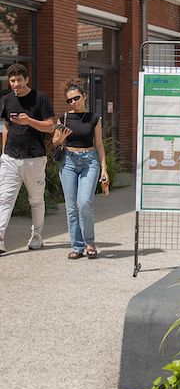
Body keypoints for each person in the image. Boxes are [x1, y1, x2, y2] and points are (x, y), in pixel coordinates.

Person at [0, 63, 55, 254]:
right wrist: (3, 152)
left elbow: (50, 126)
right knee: (4, 199)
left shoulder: (40, 98)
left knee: (36, 200)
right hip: (10, 158)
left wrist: (29, 121)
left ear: (27, 79)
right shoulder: (7, 100)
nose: (16, 84)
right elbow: (6, 126)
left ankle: (37, 237)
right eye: (13, 81)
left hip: (34, 158)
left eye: (19, 80)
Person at [52, 80, 109, 259]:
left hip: (89, 161)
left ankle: (89, 242)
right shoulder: (64, 118)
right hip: (68, 161)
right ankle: (77, 247)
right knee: (71, 207)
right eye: (69, 100)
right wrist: (61, 138)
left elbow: (99, 145)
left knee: (85, 202)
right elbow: (54, 142)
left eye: (76, 98)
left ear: (84, 96)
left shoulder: (94, 118)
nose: (73, 102)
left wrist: (104, 169)